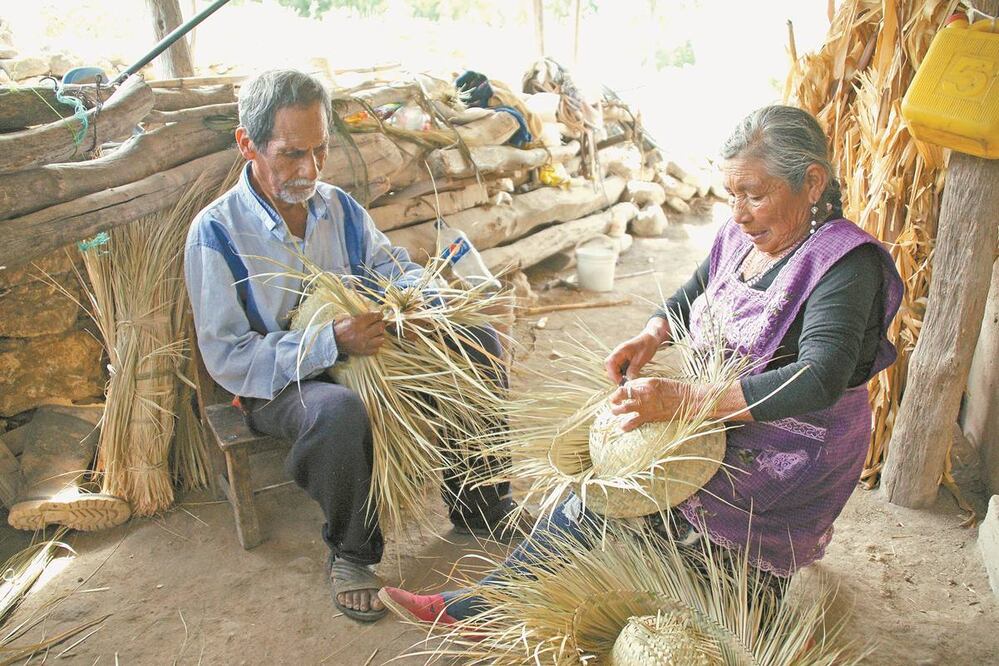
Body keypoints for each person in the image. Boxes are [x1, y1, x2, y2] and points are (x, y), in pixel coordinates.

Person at [379, 104, 904, 626]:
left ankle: (488, 607)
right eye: (732, 195)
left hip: (792, 446)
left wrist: (684, 403)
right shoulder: (741, 235)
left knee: (632, 511)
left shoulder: (845, 261)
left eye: (755, 194)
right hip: (719, 417)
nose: (739, 212)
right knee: (602, 480)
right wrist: (651, 333)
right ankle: (500, 599)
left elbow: (821, 375)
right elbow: (695, 292)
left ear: (812, 183)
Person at [184, 69, 520, 623]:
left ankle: (479, 500)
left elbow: (394, 269)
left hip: (366, 351)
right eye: (292, 154)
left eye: (320, 152)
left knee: (477, 341)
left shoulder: (337, 208)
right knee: (337, 411)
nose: (310, 170)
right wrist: (328, 342)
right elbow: (229, 357)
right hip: (280, 382)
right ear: (247, 143)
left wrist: (421, 302)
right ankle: (352, 553)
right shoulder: (216, 233)